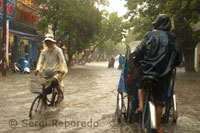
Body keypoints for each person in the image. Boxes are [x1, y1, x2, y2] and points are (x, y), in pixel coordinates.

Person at [132, 14, 182, 133]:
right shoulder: (173, 38)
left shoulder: (150, 34)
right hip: (163, 75)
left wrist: (137, 63)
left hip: (146, 71)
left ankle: (141, 105)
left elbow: (138, 52)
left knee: (141, 85)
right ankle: (159, 127)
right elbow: (178, 59)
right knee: (159, 101)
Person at [34, 34, 68, 104]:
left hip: (56, 71)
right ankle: (44, 101)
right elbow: (41, 62)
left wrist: (63, 69)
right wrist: (37, 69)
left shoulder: (58, 50)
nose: (48, 43)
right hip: (46, 72)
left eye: (50, 42)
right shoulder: (44, 52)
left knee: (54, 81)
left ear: (53, 42)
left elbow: (62, 61)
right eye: (47, 42)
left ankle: (60, 94)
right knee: (44, 88)